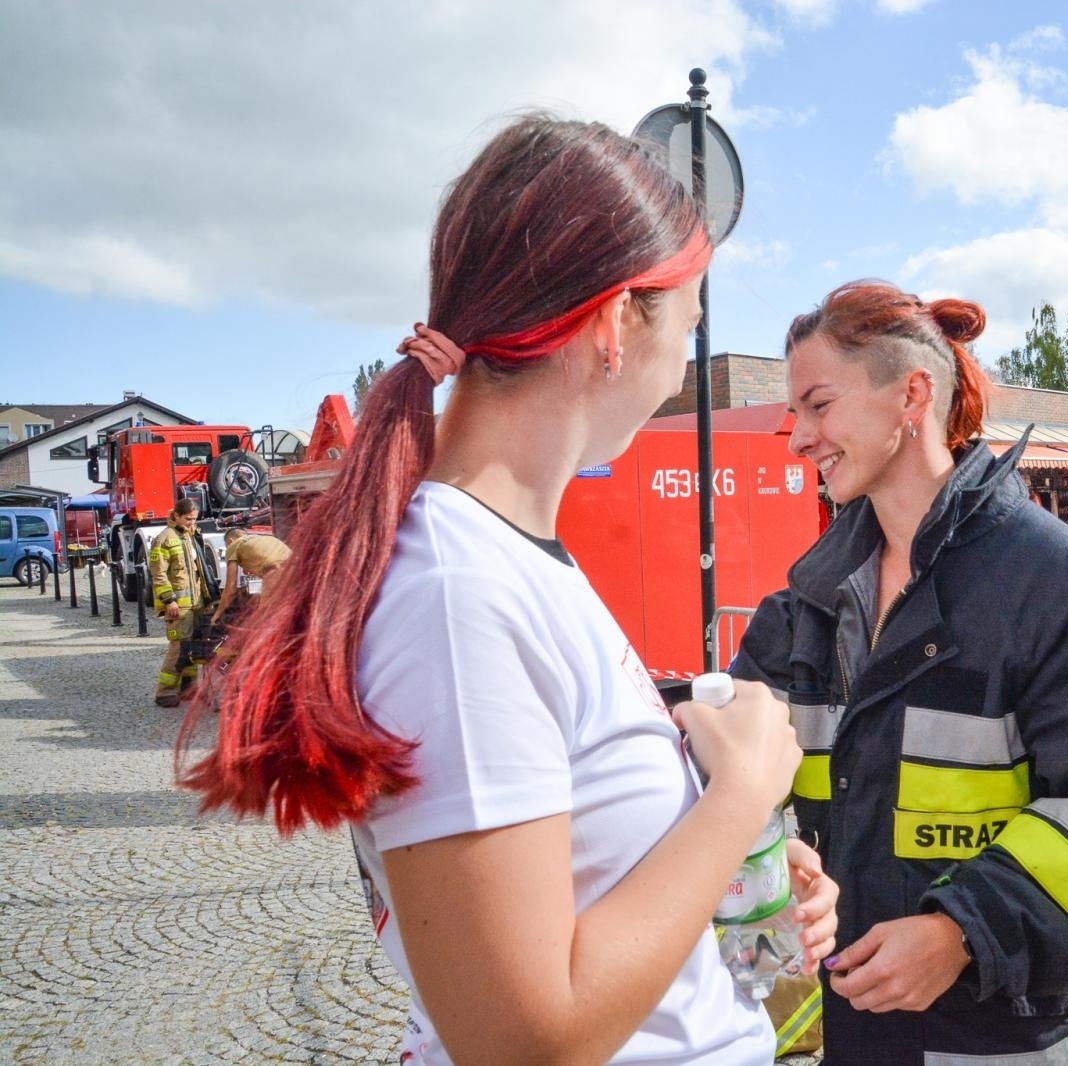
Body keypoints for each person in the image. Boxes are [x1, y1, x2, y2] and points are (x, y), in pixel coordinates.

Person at [177, 115, 838, 1066]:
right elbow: (524, 1038)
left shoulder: (503, 558)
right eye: (688, 327)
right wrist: (741, 794)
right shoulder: (457, 593)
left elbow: (575, 862)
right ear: (614, 325)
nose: (683, 368)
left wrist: (726, 858)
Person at [730, 280, 1068, 1065]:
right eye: (794, 413)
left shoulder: (1050, 581)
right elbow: (734, 758)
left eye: (818, 405)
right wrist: (772, 846)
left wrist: (960, 934)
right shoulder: (810, 599)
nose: (797, 437)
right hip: (863, 1027)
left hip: (1005, 1036)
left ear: (912, 395)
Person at [149, 498, 210, 707]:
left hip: (195, 604)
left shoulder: (190, 536)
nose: (191, 523)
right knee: (178, 649)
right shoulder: (164, 539)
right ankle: (165, 692)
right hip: (178, 605)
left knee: (192, 648)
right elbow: (158, 575)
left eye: (194, 519)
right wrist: (169, 600)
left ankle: (189, 688)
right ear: (175, 515)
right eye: (187, 519)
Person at [212, 528, 292, 619]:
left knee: (265, 617)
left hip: (275, 573)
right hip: (298, 570)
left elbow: (230, 588)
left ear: (230, 541)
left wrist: (217, 614)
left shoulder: (234, 546)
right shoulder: (263, 539)